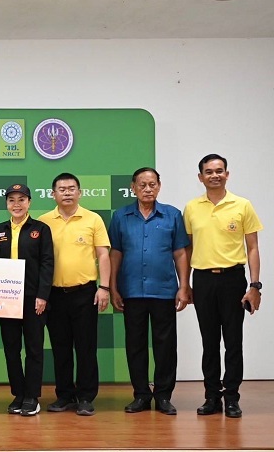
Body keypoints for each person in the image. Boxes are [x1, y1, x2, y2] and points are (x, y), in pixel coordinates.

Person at [183, 154, 263, 418]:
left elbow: (253, 247)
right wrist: (186, 284)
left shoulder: (242, 205)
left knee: (233, 341)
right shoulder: (191, 208)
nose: (214, 175)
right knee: (209, 342)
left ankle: (232, 398)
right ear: (200, 177)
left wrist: (255, 285)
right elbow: (188, 248)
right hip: (203, 280)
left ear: (227, 174)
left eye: (219, 171)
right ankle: (211, 397)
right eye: (209, 171)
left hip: (233, 280)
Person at [108, 168, 190, 416]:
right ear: (133, 187)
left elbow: (180, 253)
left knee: (166, 346)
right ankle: (141, 395)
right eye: (142, 185)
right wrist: (113, 287)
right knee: (135, 345)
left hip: (164, 290)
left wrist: (184, 286)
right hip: (131, 291)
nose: (147, 189)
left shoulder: (172, 215)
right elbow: (115, 253)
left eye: (152, 184)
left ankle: (163, 395)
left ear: (159, 186)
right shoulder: (121, 216)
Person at [38, 173, 110, 416]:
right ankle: (65, 395)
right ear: (53, 194)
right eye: (62, 189)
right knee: (60, 348)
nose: (67, 192)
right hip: (54, 295)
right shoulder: (43, 222)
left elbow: (103, 255)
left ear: (79, 192)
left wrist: (104, 287)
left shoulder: (93, 219)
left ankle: (86, 397)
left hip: (85, 293)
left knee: (86, 347)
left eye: (71, 188)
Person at [0, 184, 54, 417]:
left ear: (29, 202)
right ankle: (18, 393)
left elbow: (47, 263)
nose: (16, 204)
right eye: (11, 200)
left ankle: (32, 396)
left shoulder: (41, 229)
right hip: (7, 300)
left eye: (21, 200)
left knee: (34, 348)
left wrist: (43, 295)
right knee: (11, 349)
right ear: (6, 203)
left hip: (33, 299)